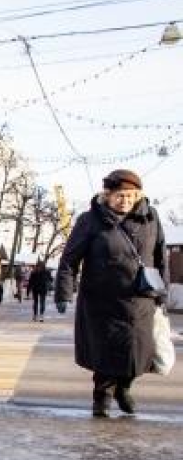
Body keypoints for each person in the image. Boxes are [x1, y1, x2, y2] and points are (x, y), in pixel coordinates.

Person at [55, 169, 169, 417]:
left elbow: (161, 257)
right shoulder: (90, 220)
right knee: (105, 352)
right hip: (101, 301)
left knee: (136, 352)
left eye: (130, 195)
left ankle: (124, 388)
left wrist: (163, 293)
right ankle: (102, 397)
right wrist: (64, 292)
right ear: (107, 195)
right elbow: (69, 260)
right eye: (119, 195)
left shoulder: (151, 217)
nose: (125, 200)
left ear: (138, 194)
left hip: (141, 300)